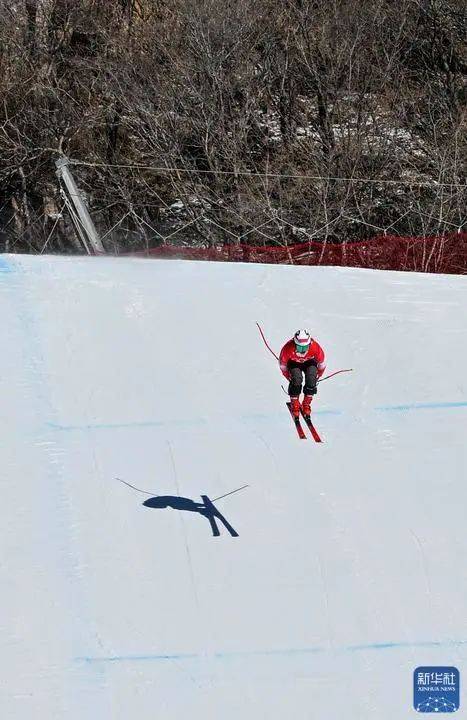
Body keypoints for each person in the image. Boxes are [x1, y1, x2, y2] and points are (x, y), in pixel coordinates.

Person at [279, 330, 326, 418]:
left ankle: (306, 403)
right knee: (296, 379)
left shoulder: (315, 347)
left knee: (311, 379)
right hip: (294, 363)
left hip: (309, 362)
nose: (302, 351)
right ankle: (295, 403)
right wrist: (287, 376)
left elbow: (322, 362)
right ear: (295, 344)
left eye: (305, 348)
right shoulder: (288, 348)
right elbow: (283, 364)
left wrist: (318, 374)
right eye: (300, 348)